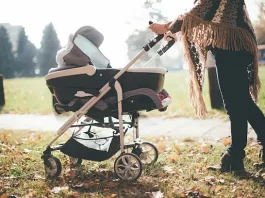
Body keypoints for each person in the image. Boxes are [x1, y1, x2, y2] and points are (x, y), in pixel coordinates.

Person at [149, 0, 265, 174]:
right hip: (235, 44)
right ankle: (235, 157)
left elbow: (202, 10)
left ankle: (234, 158)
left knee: (235, 105)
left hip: (231, 45)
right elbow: (204, 13)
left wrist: (168, 26)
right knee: (243, 104)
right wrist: (176, 29)